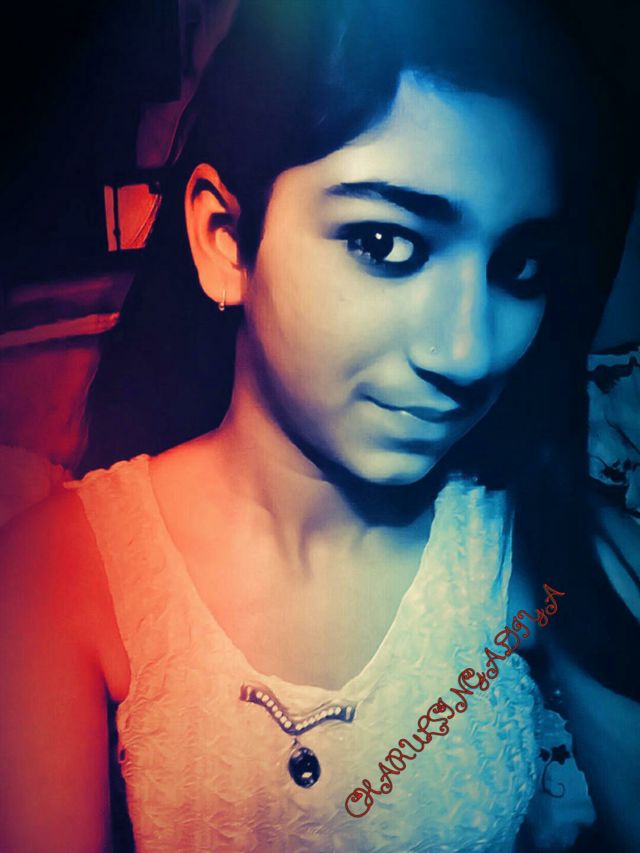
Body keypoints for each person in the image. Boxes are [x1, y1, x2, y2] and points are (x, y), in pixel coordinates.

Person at [1, 0, 639, 850]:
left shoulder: (540, 549)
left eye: (518, 266)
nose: (467, 351)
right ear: (224, 239)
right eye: (386, 243)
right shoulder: (64, 575)